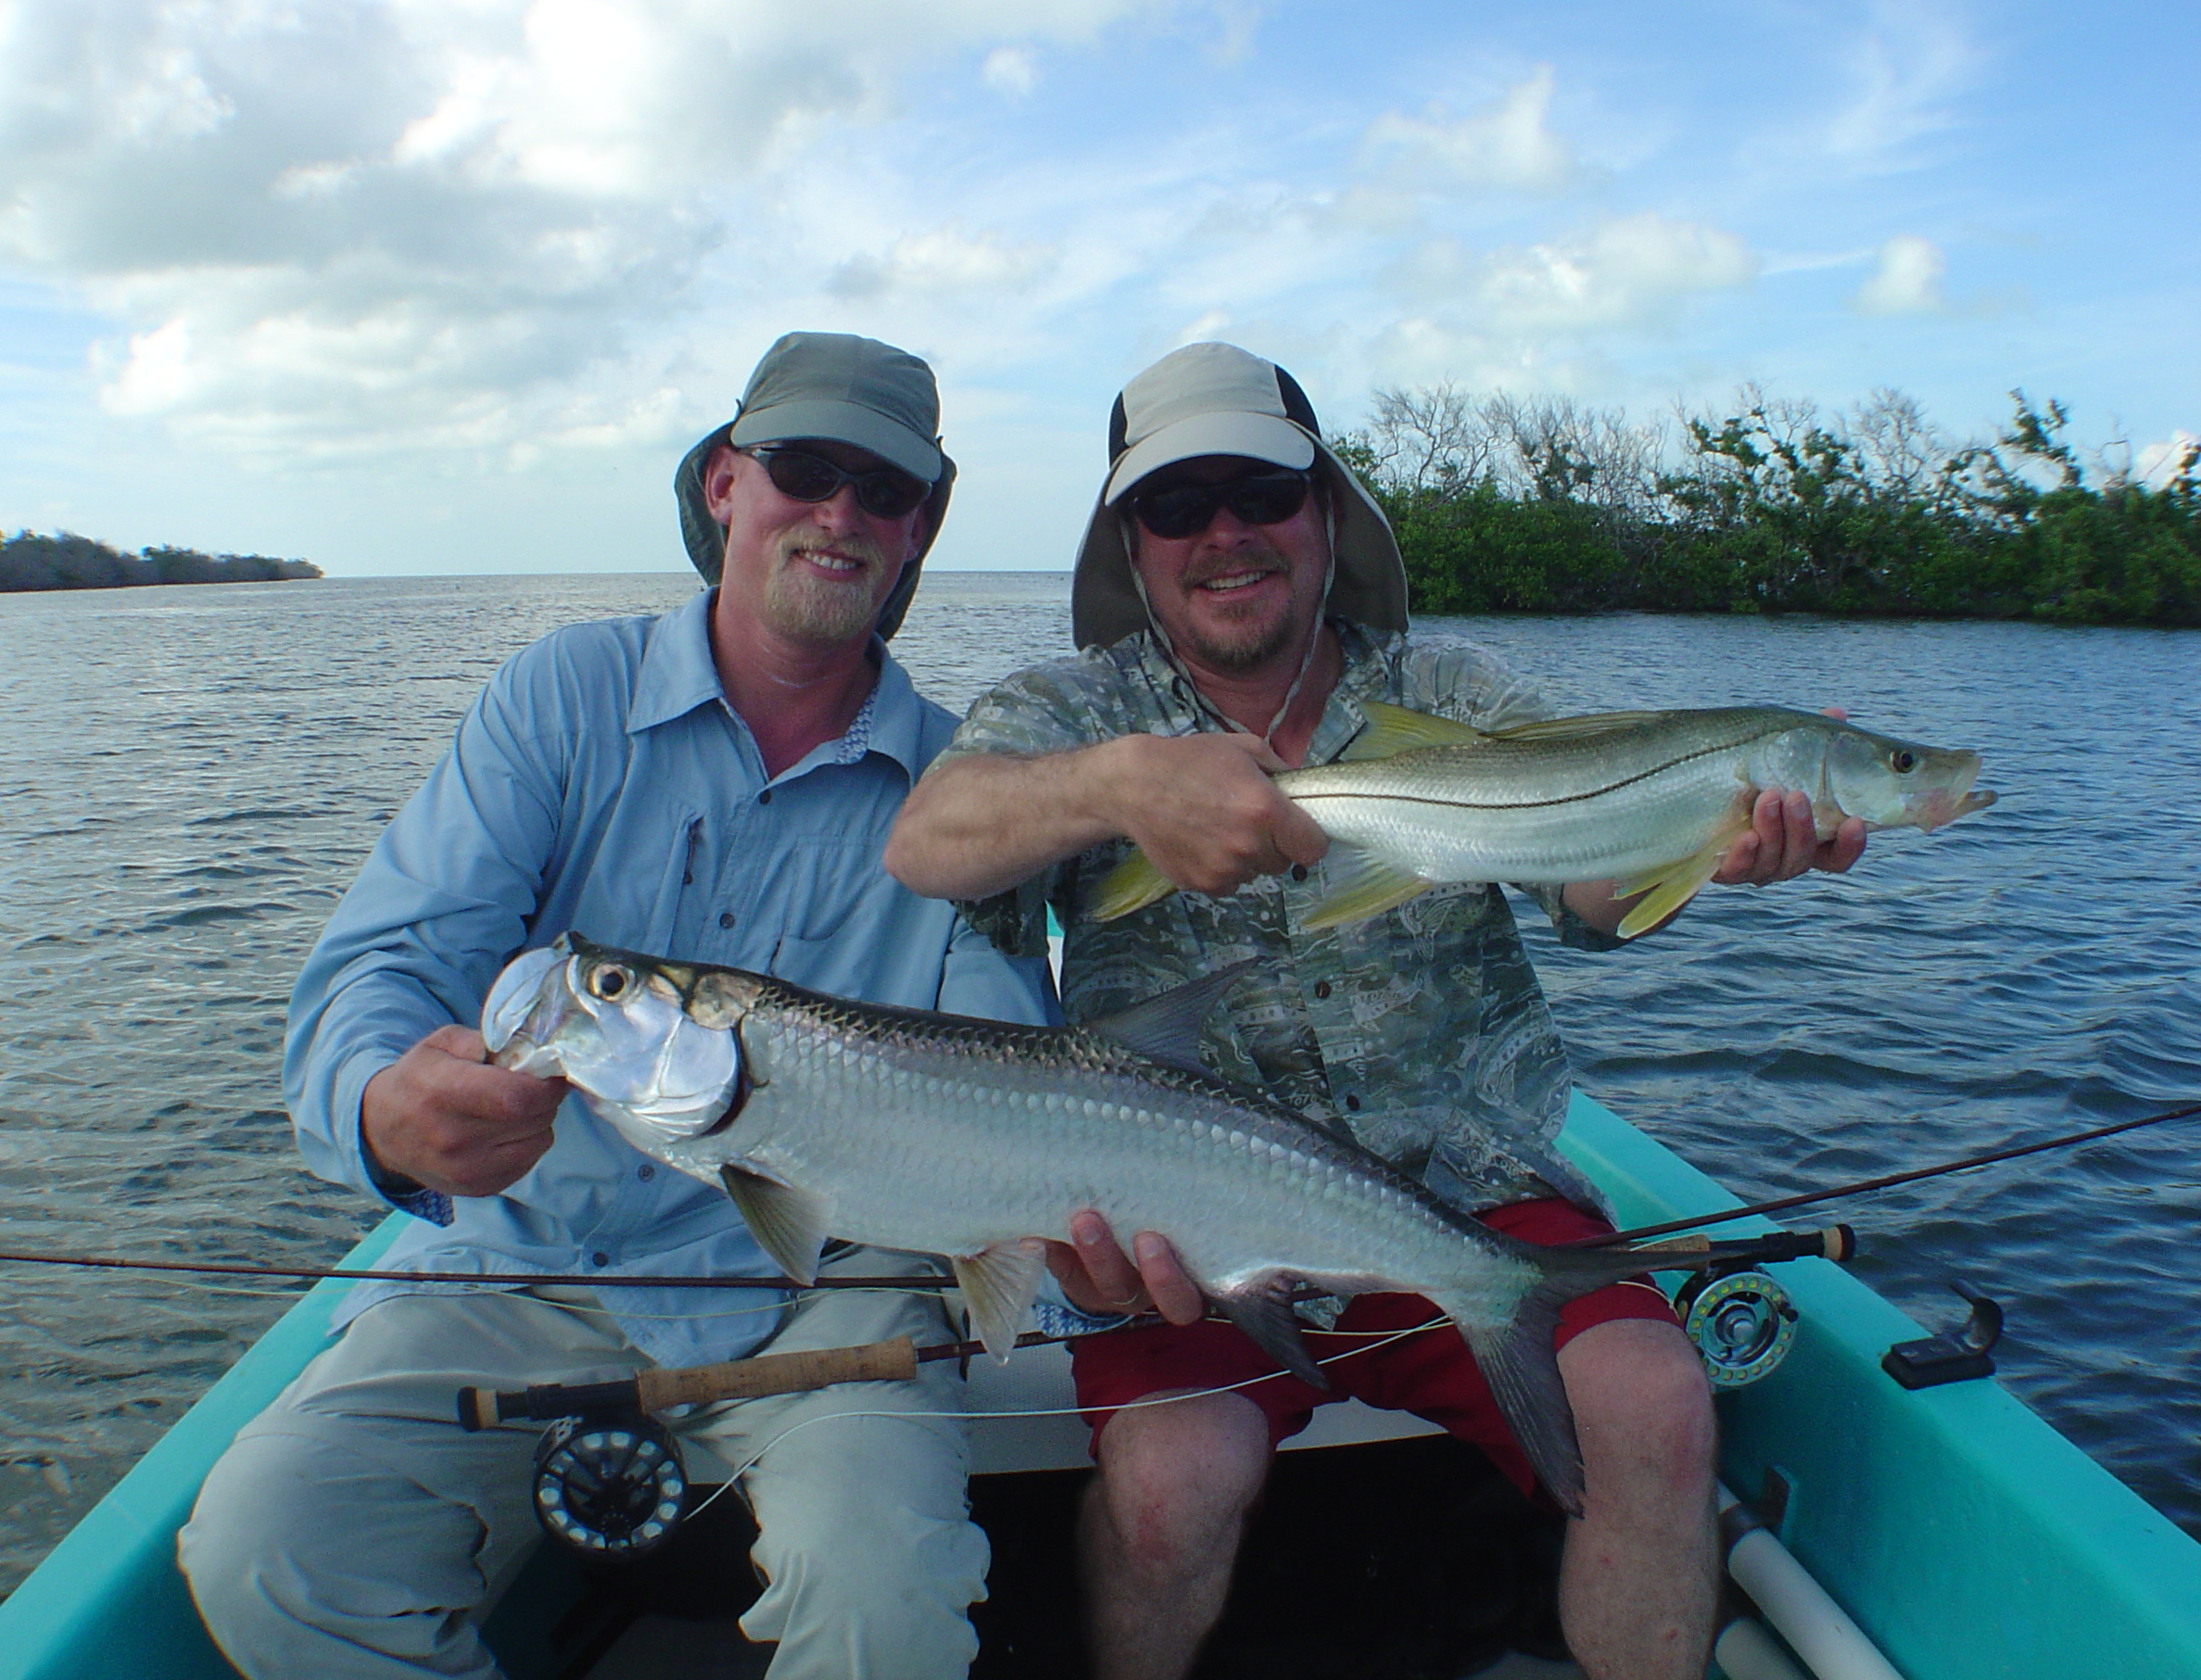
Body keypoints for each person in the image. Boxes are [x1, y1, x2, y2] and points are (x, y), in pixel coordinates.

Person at [883, 341, 1868, 1680]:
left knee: (1657, 1405)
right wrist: (1118, 785)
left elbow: (1589, 891)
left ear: (1326, 514)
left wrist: (1712, 835)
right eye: (1178, 506)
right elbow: (930, 842)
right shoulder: (1072, 708)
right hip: (1185, 1213)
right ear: (1132, 538)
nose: (1226, 534)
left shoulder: (1453, 695)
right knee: (1173, 1482)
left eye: (1261, 493)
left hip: (1470, 1185)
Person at [180, 332, 1056, 1680]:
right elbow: (390, 963)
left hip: (832, 1296)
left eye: (884, 493)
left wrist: (1057, 1231)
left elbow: (1013, 1070)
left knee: (881, 1605)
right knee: (270, 1545)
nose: (841, 515)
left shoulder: (971, 786)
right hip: (517, 1259)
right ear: (722, 484)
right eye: (805, 469)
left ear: (919, 528)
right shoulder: (559, 697)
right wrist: (382, 1107)